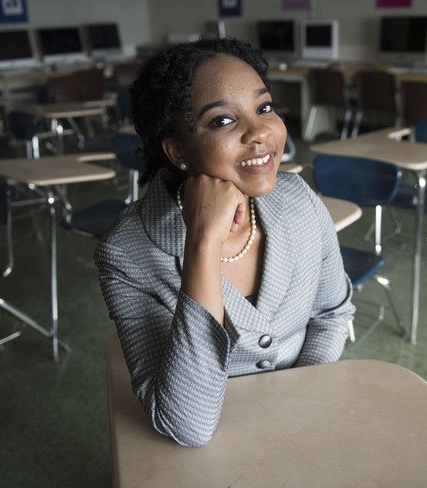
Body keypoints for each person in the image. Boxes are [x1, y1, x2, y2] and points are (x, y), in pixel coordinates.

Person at [94, 37, 355, 447]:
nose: (260, 133)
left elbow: (331, 315)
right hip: (214, 444)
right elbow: (186, 424)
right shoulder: (127, 252)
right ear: (178, 150)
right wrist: (202, 243)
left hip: (305, 423)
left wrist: (301, 404)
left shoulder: (300, 202)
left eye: (264, 108)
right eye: (222, 121)